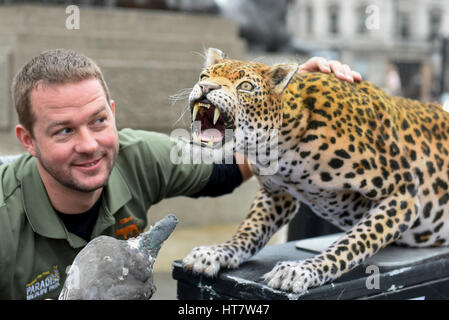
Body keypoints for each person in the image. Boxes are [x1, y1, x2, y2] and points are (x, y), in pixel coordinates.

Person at [0, 49, 360, 300]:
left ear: (112, 113)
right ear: (28, 140)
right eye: (64, 131)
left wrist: (287, 107)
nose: (90, 145)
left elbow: (227, 171)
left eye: (98, 121)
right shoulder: (6, 215)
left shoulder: (138, 156)